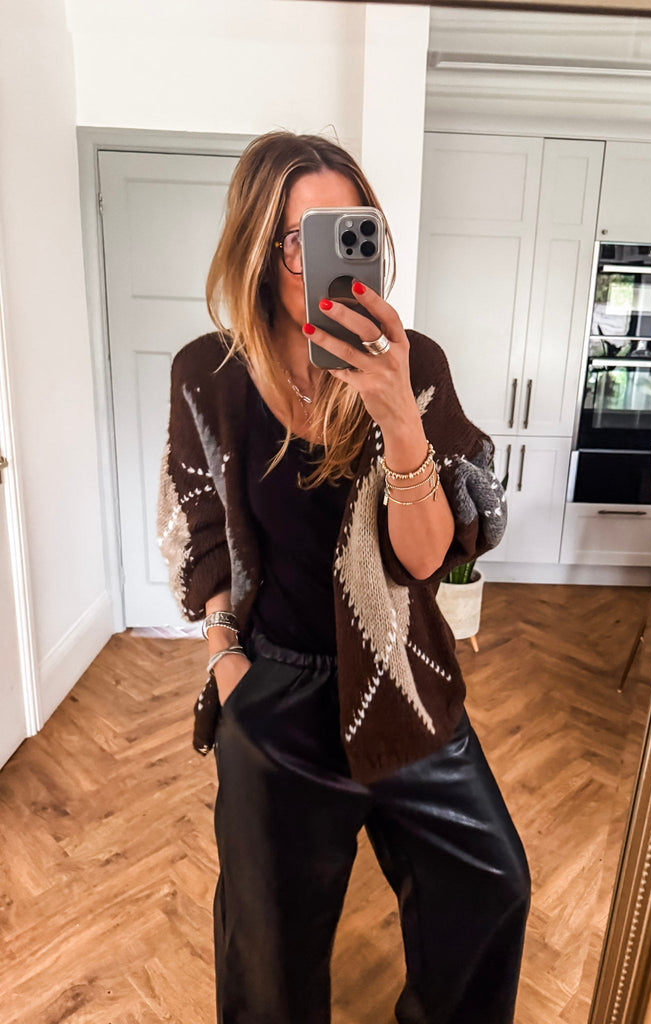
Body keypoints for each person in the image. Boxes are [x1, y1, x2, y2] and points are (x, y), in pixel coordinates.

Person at [157, 130, 530, 1024]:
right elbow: (203, 534)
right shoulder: (207, 374)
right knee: (269, 956)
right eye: (301, 238)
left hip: (404, 679)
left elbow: (425, 558)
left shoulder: (417, 362)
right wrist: (225, 659)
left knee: (492, 885)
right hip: (275, 690)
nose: (325, 259)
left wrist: (398, 414)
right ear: (260, 248)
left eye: (349, 229)